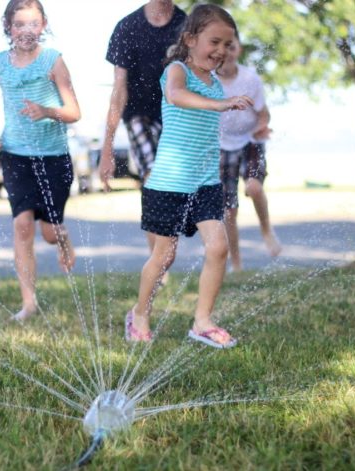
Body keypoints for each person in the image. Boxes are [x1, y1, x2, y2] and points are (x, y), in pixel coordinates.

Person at [124, 4, 253, 349]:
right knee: (164, 257)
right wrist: (220, 106)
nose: (221, 51)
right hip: (168, 184)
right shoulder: (177, 71)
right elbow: (176, 96)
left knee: (219, 246)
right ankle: (139, 314)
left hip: (205, 183)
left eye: (228, 45)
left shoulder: (216, 82)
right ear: (190, 39)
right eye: (215, 42)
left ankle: (202, 321)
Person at [0, 0, 81, 322]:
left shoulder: (54, 61)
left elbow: (74, 112)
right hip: (16, 157)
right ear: (8, 27)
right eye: (19, 24)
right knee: (22, 225)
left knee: (49, 233)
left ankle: (62, 240)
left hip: (54, 158)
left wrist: (47, 111)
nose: (26, 30)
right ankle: (29, 303)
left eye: (33, 23)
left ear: (43, 25)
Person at [99, 0, 187, 284]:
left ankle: (163, 255)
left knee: (173, 188)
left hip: (176, 114)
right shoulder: (127, 28)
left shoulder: (186, 24)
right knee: (152, 179)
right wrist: (107, 146)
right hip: (139, 115)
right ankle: (158, 263)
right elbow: (119, 89)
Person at [217, 38, 282, 272]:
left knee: (254, 187)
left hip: (250, 141)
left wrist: (261, 128)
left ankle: (266, 230)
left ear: (238, 50)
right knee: (228, 210)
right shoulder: (210, 81)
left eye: (231, 47)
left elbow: (264, 114)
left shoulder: (249, 79)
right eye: (223, 47)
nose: (227, 53)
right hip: (222, 146)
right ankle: (236, 263)